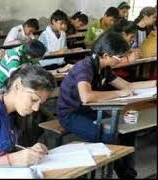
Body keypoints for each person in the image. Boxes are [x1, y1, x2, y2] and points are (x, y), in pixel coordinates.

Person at [57, 31, 156, 178]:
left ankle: (128, 173)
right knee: (110, 136)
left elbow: (127, 85)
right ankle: (123, 174)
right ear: (106, 56)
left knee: (127, 131)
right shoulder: (85, 67)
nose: (123, 60)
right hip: (71, 114)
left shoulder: (103, 68)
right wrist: (118, 94)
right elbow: (86, 97)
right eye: (120, 57)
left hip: (91, 110)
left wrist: (154, 83)